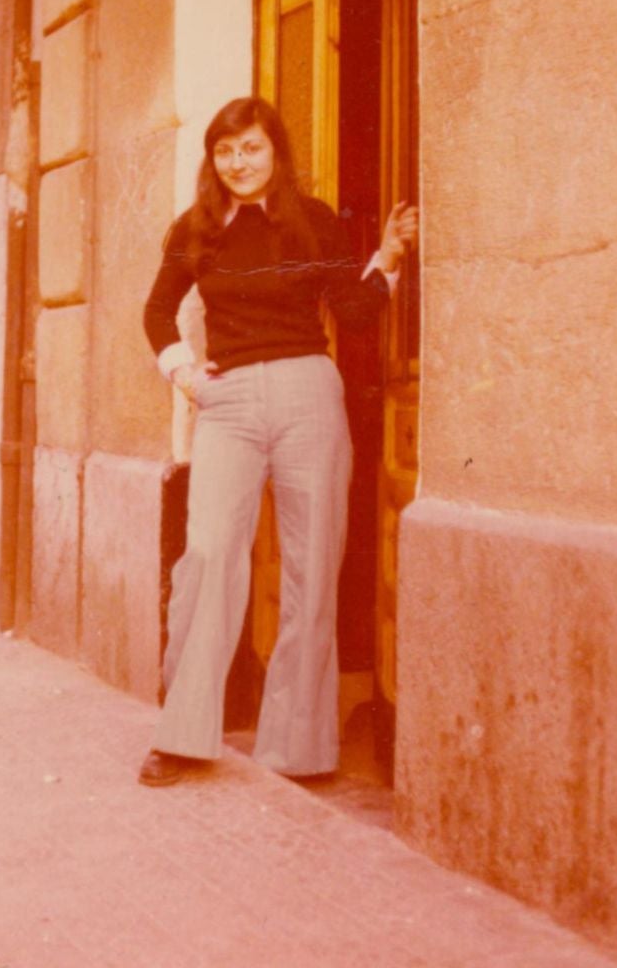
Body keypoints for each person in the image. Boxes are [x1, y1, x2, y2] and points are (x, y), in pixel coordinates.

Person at [138, 96, 417, 787]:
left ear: (275, 152)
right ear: (213, 159)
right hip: (227, 402)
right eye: (225, 152)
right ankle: (182, 735)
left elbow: (352, 313)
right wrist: (184, 374)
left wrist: (386, 260)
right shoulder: (195, 229)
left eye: (251, 148)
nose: (238, 163)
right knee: (208, 555)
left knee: (312, 566)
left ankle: (298, 749)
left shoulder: (313, 220)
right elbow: (157, 310)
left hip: (308, 396)